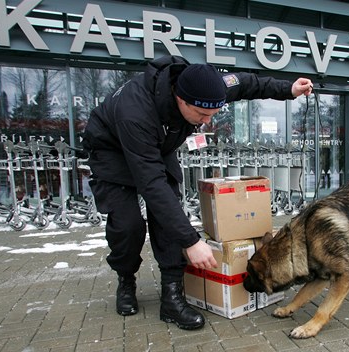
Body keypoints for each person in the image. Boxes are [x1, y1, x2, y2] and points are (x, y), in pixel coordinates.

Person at [82, 55, 313, 330]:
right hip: (112, 152)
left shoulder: (207, 87)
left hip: (158, 146)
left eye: (212, 115)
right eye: (202, 116)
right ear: (180, 98)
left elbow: (248, 83)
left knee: (168, 218)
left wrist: (288, 89)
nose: (205, 122)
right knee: (128, 225)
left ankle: (171, 296)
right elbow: (152, 184)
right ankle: (125, 279)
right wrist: (191, 242)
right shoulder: (135, 112)